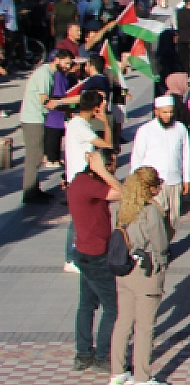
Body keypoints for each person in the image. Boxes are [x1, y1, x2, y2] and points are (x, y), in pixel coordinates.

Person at [109, 166, 171, 385]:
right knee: (145, 327)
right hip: (146, 273)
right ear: (151, 188)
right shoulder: (150, 212)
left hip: (124, 271)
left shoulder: (123, 208)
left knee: (123, 321)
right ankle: (142, 378)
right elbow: (161, 245)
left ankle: (118, 372)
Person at [67, 147, 123, 371]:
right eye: (113, 166)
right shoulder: (90, 184)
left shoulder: (80, 181)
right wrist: (102, 171)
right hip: (95, 255)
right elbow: (124, 193)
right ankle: (103, 355)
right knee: (112, 307)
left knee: (87, 305)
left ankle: (83, 354)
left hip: (84, 251)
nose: (115, 170)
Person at [18, 48, 77, 205]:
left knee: (37, 155)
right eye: (66, 63)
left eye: (70, 64)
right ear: (57, 59)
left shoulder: (50, 73)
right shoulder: (45, 74)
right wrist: (67, 105)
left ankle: (34, 189)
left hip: (38, 118)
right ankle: (29, 192)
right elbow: (45, 100)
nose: (68, 67)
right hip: (33, 119)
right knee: (34, 157)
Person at [129, 95, 190, 231]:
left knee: (173, 219)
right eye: (164, 112)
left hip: (174, 181)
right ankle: (157, 248)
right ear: (156, 111)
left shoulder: (181, 129)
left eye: (170, 112)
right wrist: (136, 182)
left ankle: (165, 246)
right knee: (155, 218)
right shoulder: (145, 130)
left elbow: (186, 154)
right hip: (153, 183)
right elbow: (137, 157)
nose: (168, 116)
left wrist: (186, 178)